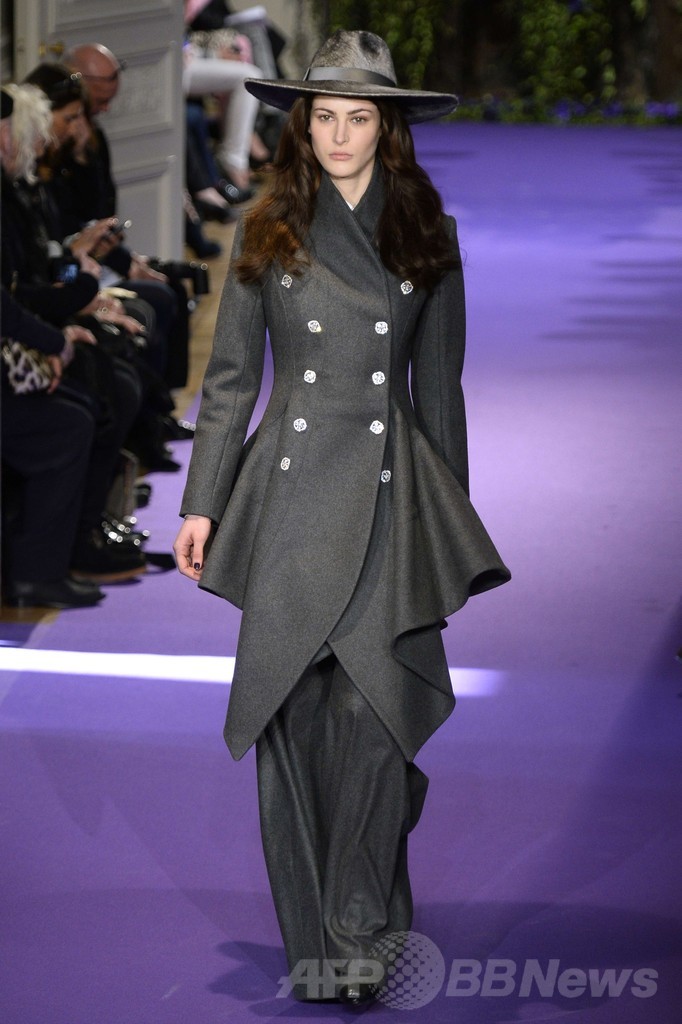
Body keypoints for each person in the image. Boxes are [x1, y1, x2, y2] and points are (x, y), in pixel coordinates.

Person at [174, 30, 510, 1006]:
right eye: (324, 116)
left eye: (358, 117)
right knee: (290, 715)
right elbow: (230, 382)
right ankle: (315, 940)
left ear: (386, 128)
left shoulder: (424, 230)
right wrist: (200, 503)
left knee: (372, 715)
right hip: (286, 498)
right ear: (303, 124)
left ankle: (357, 931)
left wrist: (447, 533)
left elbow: (438, 389)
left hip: (390, 496)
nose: (338, 134)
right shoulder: (269, 226)